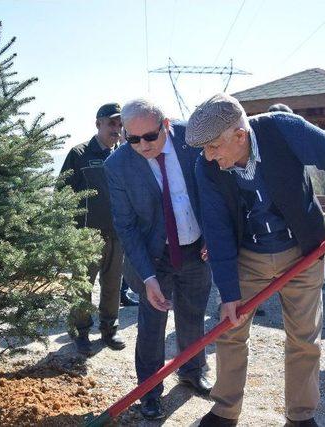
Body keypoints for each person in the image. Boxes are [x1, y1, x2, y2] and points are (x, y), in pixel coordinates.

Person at [187, 93, 325, 427]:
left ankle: (300, 416)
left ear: (239, 136)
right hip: (248, 256)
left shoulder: (282, 130)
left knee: (303, 337)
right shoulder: (206, 167)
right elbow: (217, 229)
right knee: (230, 330)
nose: (207, 156)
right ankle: (225, 410)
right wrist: (228, 293)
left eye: (213, 147)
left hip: (302, 250)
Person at [104, 99, 212, 420]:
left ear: (165, 124)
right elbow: (125, 224)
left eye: (149, 137)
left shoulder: (191, 140)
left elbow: (215, 190)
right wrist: (148, 277)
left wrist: (214, 236)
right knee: (152, 325)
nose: (142, 146)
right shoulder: (117, 165)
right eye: (132, 139)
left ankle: (193, 370)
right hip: (155, 255)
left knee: (193, 314)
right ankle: (150, 390)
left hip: (196, 248)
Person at [59, 102, 126, 356]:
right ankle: (81, 333)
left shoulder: (123, 155)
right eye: (111, 123)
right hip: (86, 236)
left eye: (120, 124)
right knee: (82, 286)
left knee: (112, 286)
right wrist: (69, 232)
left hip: (117, 235)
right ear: (97, 123)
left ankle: (109, 330)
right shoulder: (79, 154)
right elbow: (62, 193)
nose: (116, 129)